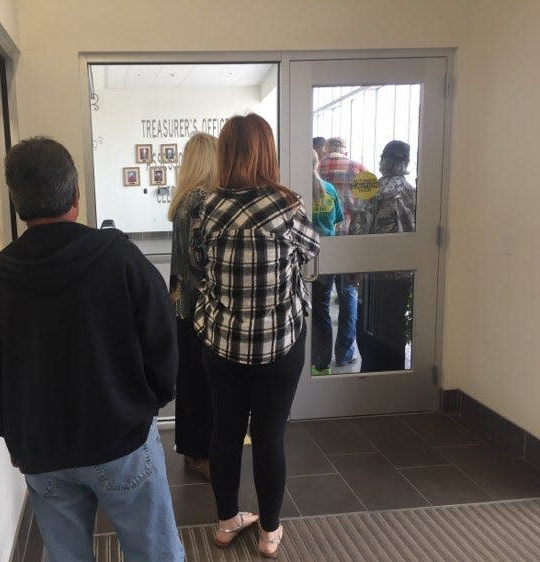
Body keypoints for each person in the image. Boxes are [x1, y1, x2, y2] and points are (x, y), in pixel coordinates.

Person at [0, 137, 183, 562]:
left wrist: (11, 434)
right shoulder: (120, 258)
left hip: (42, 451)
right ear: (75, 194)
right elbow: (162, 339)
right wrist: (148, 403)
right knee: (154, 554)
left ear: (17, 203)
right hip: (121, 440)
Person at [192, 114, 320, 558]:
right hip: (278, 344)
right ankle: (268, 533)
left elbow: (197, 262)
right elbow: (312, 250)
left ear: (226, 154)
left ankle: (227, 523)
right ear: (267, 151)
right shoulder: (288, 206)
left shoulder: (205, 206)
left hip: (221, 342)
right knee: (269, 436)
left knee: (224, 432)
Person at [167, 132, 217, 481]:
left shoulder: (183, 200)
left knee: (190, 379)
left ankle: (191, 449)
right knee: (203, 382)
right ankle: (202, 453)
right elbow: (202, 258)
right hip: (202, 308)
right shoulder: (202, 201)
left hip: (184, 306)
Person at [351, 140, 416, 372]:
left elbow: (359, 230)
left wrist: (353, 271)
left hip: (375, 273)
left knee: (369, 326)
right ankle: (395, 373)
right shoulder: (414, 193)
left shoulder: (372, 191)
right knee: (395, 325)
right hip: (406, 272)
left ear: (383, 162)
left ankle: (372, 373)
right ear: (405, 163)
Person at [318, 137, 368, 367]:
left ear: (327, 149)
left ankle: (321, 355)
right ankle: (344, 353)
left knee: (322, 299)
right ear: (345, 150)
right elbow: (368, 204)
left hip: (324, 241)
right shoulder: (358, 168)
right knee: (348, 297)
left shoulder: (317, 166)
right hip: (350, 241)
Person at [309, 150, 344, 376]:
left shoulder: (296, 191)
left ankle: (305, 361)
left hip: (304, 255)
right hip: (328, 254)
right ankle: (322, 364)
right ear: (317, 163)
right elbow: (339, 220)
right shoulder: (330, 190)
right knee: (322, 310)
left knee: (302, 309)